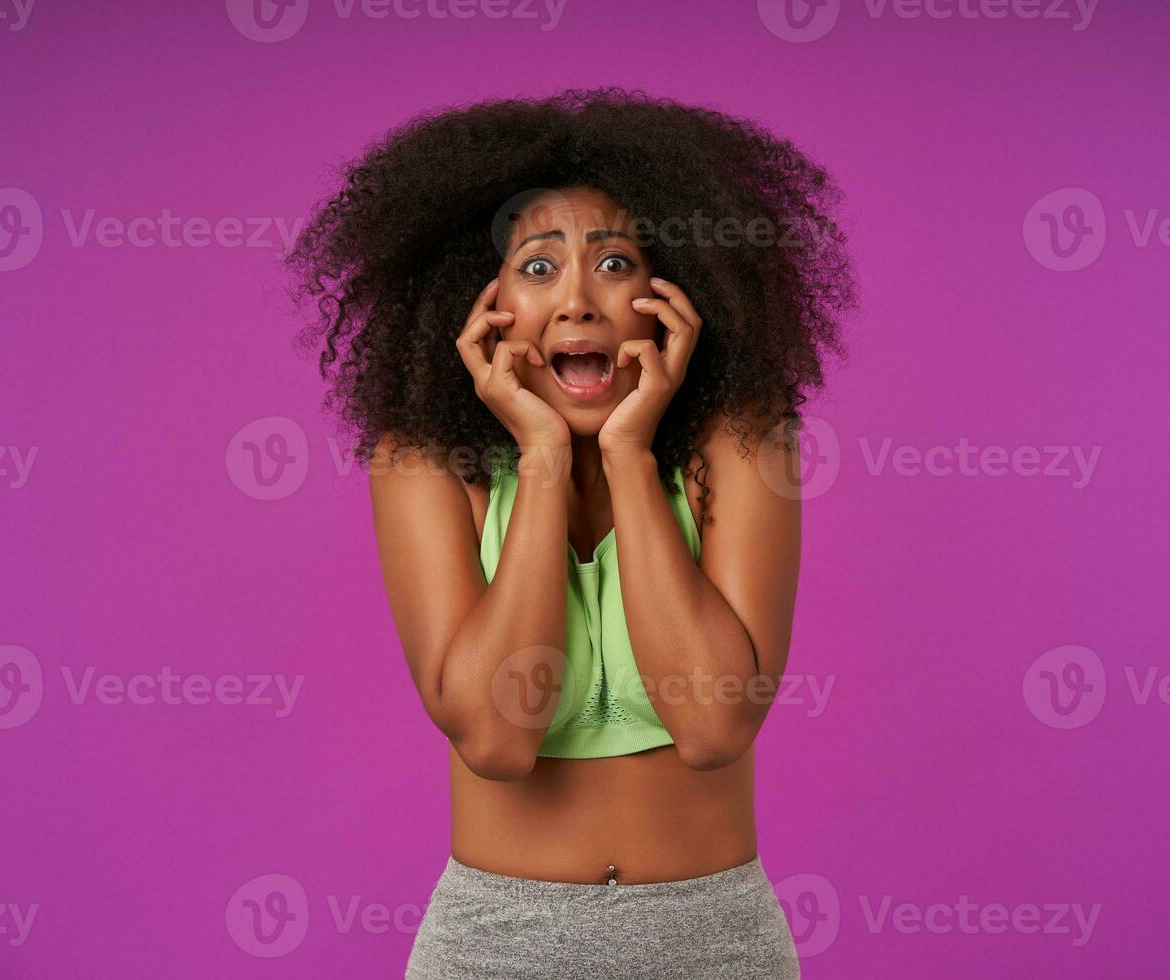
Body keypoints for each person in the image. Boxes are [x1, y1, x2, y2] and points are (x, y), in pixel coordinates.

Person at [285, 87, 854, 979]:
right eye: (539, 268)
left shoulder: (743, 442)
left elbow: (711, 724)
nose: (579, 303)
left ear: (677, 290)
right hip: (494, 943)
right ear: (478, 304)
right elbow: (498, 739)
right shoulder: (423, 461)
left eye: (617, 263)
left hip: (715, 942)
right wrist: (543, 458)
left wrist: (629, 453)